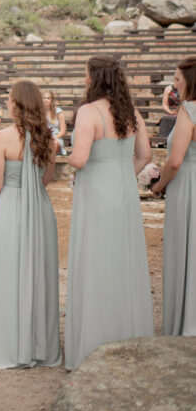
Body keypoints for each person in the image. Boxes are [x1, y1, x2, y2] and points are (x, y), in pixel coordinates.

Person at [65, 55, 154, 369]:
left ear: (95, 78)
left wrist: (60, 152)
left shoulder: (88, 112)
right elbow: (145, 156)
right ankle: (128, 339)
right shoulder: (132, 113)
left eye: (86, 75)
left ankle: (93, 344)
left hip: (96, 195)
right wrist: (123, 174)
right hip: (124, 192)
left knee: (96, 262)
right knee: (123, 262)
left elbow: (79, 159)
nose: (84, 80)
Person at [0, 80, 60, 369]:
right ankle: (39, 343)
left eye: (11, 99)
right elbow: (46, 179)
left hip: (12, 206)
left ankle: (11, 343)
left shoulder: (2, 137)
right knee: (38, 271)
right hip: (39, 207)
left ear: (18, 104)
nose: (8, 104)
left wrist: (3, 205)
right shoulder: (48, 138)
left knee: (10, 270)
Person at [151, 55, 196, 336]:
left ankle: (186, 322)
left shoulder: (188, 111)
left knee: (185, 248)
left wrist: (158, 185)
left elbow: (175, 161)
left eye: (177, 78)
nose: (174, 84)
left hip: (187, 185)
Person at [42, 89, 67, 156]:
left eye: (48, 98)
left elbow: (63, 131)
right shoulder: (40, 112)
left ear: (52, 100)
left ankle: (49, 165)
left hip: (56, 137)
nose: (46, 100)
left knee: (53, 143)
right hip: (43, 137)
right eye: (44, 98)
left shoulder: (58, 112)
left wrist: (53, 138)